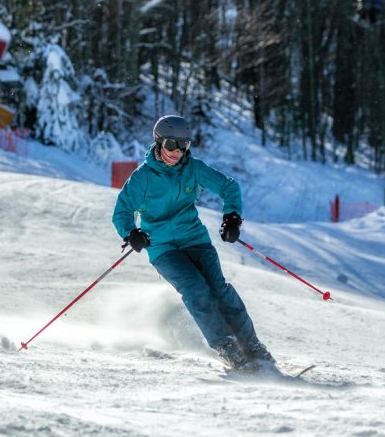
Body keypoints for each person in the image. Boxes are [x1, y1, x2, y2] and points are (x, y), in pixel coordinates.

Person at [112, 115, 274, 371]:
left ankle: (252, 345)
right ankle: (226, 346)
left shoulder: (193, 168)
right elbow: (121, 211)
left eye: (183, 145)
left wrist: (232, 217)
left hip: (194, 238)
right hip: (163, 248)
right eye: (171, 145)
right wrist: (132, 233)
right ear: (158, 142)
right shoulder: (143, 177)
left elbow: (229, 187)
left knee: (219, 288)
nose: (177, 152)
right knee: (196, 288)